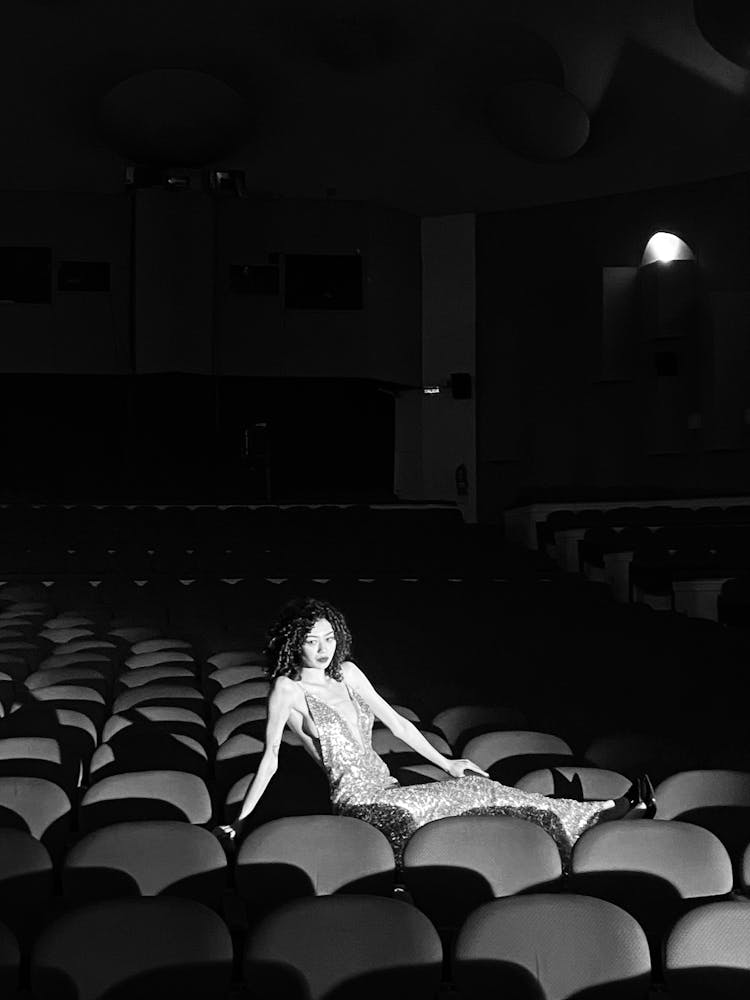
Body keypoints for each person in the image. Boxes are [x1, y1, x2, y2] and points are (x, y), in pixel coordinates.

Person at [213, 597, 655, 867]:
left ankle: (594, 817)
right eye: (313, 641)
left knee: (477, 785)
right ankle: (599, 815)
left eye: (329, 637)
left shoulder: (347, 672)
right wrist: (238, 822)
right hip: (359, 804)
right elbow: (269, 760)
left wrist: (447, 762)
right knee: (474, 795)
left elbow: (399, 723)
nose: (324, 648)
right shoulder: (286, 690)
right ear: (295, 644)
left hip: (387, 787)